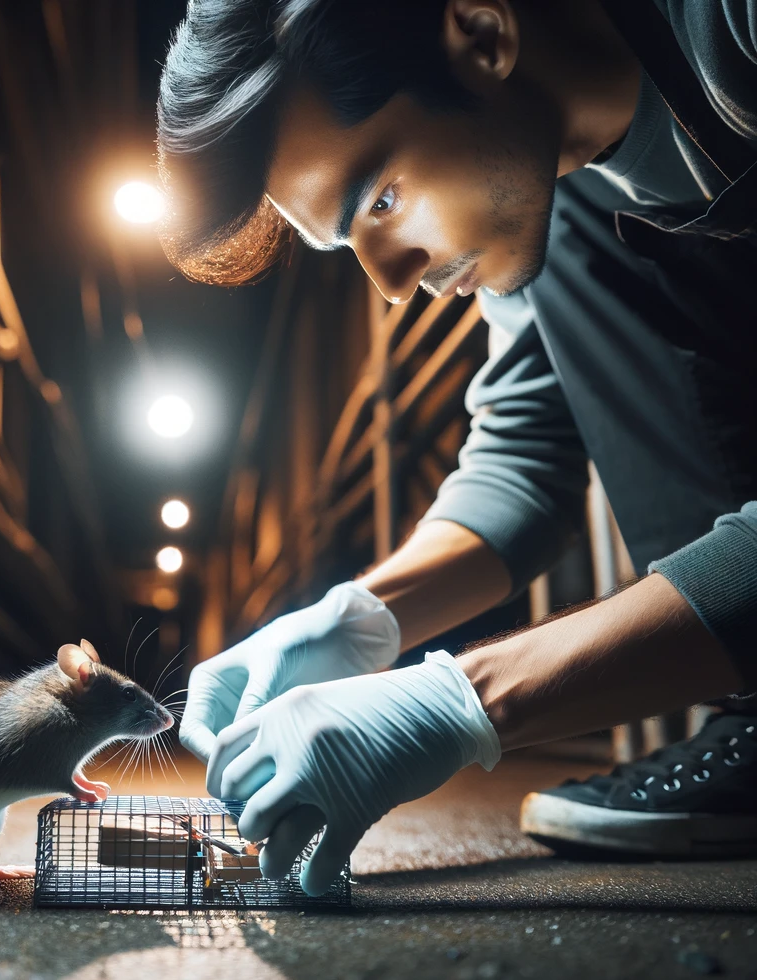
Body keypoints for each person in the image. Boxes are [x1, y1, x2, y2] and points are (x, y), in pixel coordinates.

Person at [155, 0, 757, 896]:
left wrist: (468, 697)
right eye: (351, 243)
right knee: (574, 251)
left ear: (483, 33)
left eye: (383, 200)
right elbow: (523, 457)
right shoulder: (551, 183)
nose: (392, 285)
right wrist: (365, 615)